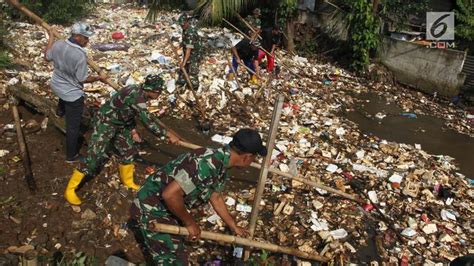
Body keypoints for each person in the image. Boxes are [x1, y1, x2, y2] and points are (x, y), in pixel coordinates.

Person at [129, 128, 267, 265]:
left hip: (167, 206)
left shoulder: (220, 164)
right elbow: (170, 195)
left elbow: (215, 196)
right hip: (151, 207)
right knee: (174, 261)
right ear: (247, 157)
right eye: (255, 157)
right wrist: (190, 223)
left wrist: (233, 226)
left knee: (180, 251)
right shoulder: (205, 165)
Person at [64, 75, 181, 205]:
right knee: (94, 157)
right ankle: (70, 189)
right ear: (151, 90)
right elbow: (148, 123)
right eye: (158, 92)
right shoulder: (137, 97)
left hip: (121, 124)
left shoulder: (140, 93)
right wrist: (167, 135)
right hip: (106, 122)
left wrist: (132, 130)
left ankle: (128, 181)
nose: (159, 95)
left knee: (129, 152)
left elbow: (128, 112)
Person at [45, 22, 106, 163]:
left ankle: (60, 111)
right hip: (72, 95)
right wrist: (99, 78)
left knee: (63, 95)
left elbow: (47, 57)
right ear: (78, 37)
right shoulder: (79, 55)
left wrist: (51, 38)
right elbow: (82, 78)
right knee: (73, 128)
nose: (88, 41)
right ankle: (71, 156)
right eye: (86, 38)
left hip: (56, 85)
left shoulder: (59, 44)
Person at [176, 13, 202, 90]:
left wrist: (183, 62)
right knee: (183, 70)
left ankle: (194, 88)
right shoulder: (185, 30)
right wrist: (180, 45)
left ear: (187, 22)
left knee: (192, 71)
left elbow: (189, 49)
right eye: (181, 25)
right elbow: (185, 41)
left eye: (183, 24)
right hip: (188, 53)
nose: (182, 26)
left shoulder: (191, 33)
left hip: (194, 55)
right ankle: (181, 83)